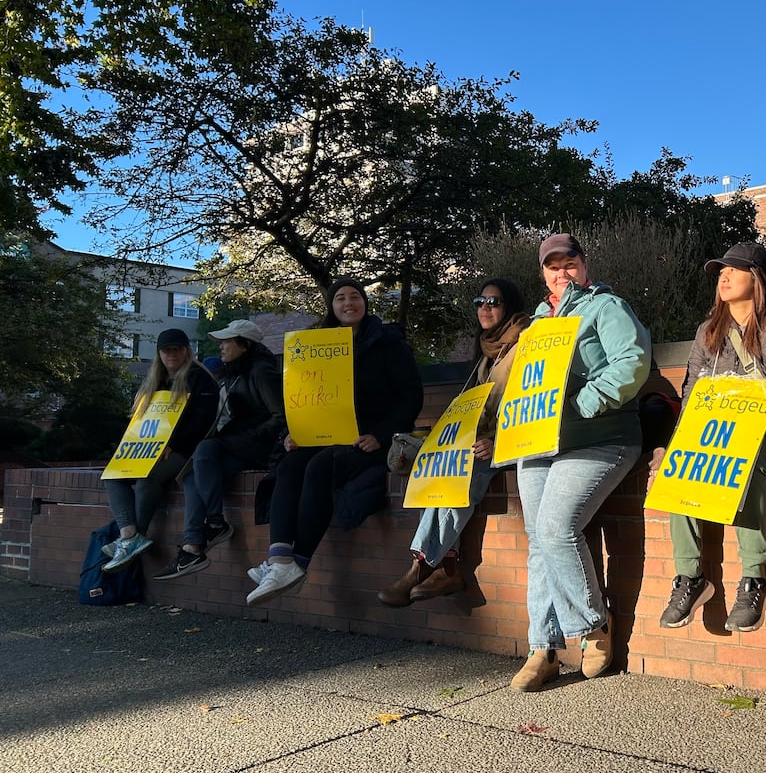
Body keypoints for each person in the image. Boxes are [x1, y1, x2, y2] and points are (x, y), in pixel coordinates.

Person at [509, 233, 651, 692]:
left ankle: (593, 624)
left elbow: (632, 361)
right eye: (553, 266)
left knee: (554, 529)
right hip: (539, 443)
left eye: (569, 262)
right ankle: (542, 647)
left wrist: (585, 403)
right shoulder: (533, 325)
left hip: (600, 437)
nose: (561, 272)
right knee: (537, 540)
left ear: (584, 265)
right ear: (542, 273)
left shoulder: (606, 307)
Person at [655, 242, 766, 635]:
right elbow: (691, 396)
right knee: (682, 465)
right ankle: (690, 578)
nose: (723, 276)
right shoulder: (708, 332)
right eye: (720, 270)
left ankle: (755, 580)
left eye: (734, 269)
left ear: (755, 278)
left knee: (750, 459)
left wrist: (747, 422)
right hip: (721, 435)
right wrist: (676, 445)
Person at [247, 278, 423, 605]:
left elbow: (411, 396)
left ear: (365, 303)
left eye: (354, 296)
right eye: (339, 298)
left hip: (372, 440)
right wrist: (295, 434)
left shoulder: (388, 342)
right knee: (288, 468)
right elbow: (308, 398)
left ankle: (298, 563)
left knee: (318, 468)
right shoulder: (318, 346)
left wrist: (380, 435)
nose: (348, 303)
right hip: (329, 438)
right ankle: (280, 560)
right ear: (332, 307)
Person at [378, 278, 530, 606]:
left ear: (510, 306)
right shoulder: (488, 350)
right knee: (441, 470)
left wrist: (500, 441)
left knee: (460, 473)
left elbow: (531, 402)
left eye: (494, 301)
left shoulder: (525, 344)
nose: (485, 308)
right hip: (478, 441)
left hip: (511, 443)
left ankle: (421, 567)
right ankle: (446, 568)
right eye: (480, 301)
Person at [154, 319, 284, 580]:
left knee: (204, 451)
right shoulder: (235, 371)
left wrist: (240, 437)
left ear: (245, 345)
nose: (221, 347)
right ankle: (192, 547)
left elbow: (281, 417)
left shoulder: (261, 371)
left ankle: (215, 523)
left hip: (261, 448)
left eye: (226, 341)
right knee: (193, 474)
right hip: (242, 444)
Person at [101, 329, 219, 572]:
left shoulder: (200, 378)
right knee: (113, 475)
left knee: (148, 478)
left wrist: (173, 443)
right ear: (159, 353)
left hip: (186, 451)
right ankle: (129, 535)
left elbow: (202, 422)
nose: (172, 354)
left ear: (187, 350)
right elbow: (140, 423)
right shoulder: (154, 381)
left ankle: (135, 538)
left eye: (177, 349)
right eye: (167, 350)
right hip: (149, 448)